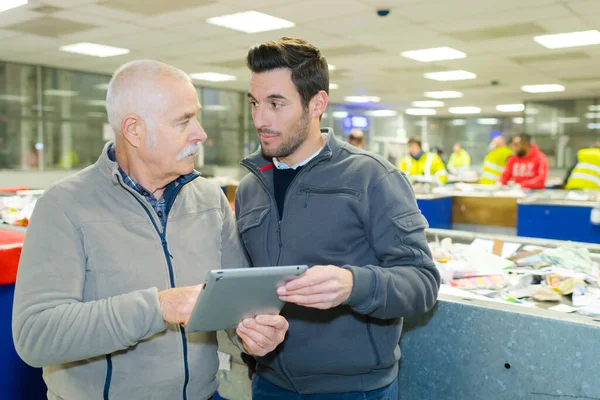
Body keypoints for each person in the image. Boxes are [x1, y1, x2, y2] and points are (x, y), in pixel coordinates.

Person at [11, 60, 288, 400]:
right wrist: (157, 308)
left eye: (196, 117)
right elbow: (36, 336)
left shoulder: (209, 199)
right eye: (183, 121)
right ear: (134, 131)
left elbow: (236, 307)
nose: (200, 133)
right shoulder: (64, 206)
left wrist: (252, 332)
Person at [236, 37, 440, 399]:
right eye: (254, 103)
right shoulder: (251, 188)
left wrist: (353, 285)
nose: (260, 119)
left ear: (317, 104)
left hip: (353, 389)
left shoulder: (373, 178)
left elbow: (422, 282)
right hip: (270, 384)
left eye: (276, 103)